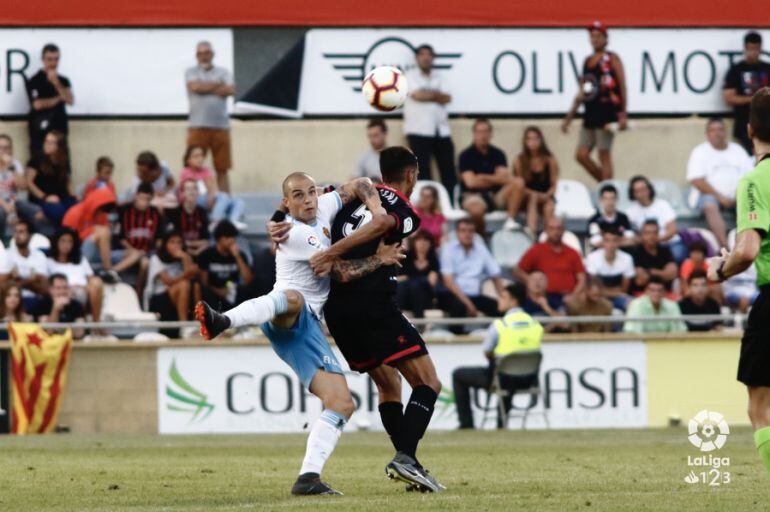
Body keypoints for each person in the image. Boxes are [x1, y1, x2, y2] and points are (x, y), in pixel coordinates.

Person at [195, 172, 395, 495]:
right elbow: (339, 271)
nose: (307, 201)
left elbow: (360, 183)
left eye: (310, 193)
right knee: (293, 297)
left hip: (307, 329)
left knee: (342, 403)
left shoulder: (324, 206)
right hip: (285, 315)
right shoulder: (295, 234)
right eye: (298, 196)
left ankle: (308, 478)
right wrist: (380, 257)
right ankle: (223, 321)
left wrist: (376, 207)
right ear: (287, 203)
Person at [310, 147, 447, 492]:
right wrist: (332, 252)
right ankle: (405, 459)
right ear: (412, 175)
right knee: (428, 383)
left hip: (338, 312)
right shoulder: (402, 207)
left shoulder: (347, 194)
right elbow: (383, 222)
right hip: (373, 306)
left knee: (389, 385)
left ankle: (410, 464)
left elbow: (313, 199)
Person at [707, 87, 770, 476]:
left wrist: (720, 270)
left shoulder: (755, 180)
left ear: (749, 130)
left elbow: (746, 250)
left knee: (760, 406)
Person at [452, 282, 542, 430]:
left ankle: (466, 424)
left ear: (514, 300)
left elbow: (487, 351)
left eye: (503, 297)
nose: (499, 300)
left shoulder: (501, 324)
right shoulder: (535, 323)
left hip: (503, 378)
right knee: (508, 369)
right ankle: (502, 424)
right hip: (530, 380)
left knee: (460, 374)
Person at [561, 21, 627, 181]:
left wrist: (622, 113)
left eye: (599, 36)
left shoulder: (612, 59)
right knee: (581, 154)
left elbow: (621, 85)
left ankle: (607, 188)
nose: (595, 40)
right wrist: (569, 117)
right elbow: (583, 90)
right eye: (592, 37)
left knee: (603, 152)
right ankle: (605, 184)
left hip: (606, 111)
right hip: (590, 112)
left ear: (606, 39)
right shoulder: (587, 61)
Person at [686, 117, 753, 247]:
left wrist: (738, 194)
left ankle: (749, 243)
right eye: (713, 130)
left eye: (720, 129)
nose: (717, 133)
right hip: (711, 197)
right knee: (709, 205)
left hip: (738, 195)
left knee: (752, 202)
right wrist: (721, 198)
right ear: (707, 134)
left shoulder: (737, 150)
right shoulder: (700, 152)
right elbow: (697, 181)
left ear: (725, 132)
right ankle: (725, 246)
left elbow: (749, 176)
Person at [404, 44, 457, 198]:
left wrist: (428, 94)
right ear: (416, 58)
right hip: (418, 131)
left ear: (433, 58)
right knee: (423, 173)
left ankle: (451, 204)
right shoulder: (409, 76)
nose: (426, 57)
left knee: (448, 171)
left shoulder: (440, 77)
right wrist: (436, 95)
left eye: (429, 54)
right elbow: (416, 95)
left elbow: (447, 98)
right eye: (422, 54)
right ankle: (427, 208)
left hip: (441, 131)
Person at [458, 119, 524, 233]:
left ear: (491, 133)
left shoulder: (498, 154)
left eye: (486, 131)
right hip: (474, 195)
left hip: (495, 195)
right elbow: (471, 183)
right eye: (479, 132)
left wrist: (482, 177)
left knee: (518, 182)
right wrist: (494, 178)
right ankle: (481, 238)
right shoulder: (466, 155)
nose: (483, 135)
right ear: (474, 134)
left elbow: (504, 179)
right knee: (476, 211)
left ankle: (510, 221)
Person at [186, 41, 235, 193]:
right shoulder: (191, 71)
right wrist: (217, 85)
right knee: (192, 167)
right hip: (197, 126)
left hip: (221, 127)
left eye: (206, 52)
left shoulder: (224, 71)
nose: (203, 56)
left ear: (212, 54)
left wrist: (205, 86)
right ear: (196, 56)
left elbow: (230, 90)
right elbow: (195, 87)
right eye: (200, 53)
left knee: (222, 168)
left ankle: (226, 201)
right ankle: (191, 199)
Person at [437, 219, 504, 323]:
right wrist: (468, 304)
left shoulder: (481, 249)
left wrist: (503, 298)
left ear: (474, 233)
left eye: (470, 231)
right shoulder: (448, 249)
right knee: (459, 308)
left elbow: (495, 274)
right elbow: (448, 281)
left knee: (500, 308)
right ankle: (458, 337)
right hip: (453, 295)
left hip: (475, 296)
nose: (467, 234)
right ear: (457, 233)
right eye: (463, 231)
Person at [513, 216, 586, 308]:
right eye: (552, 228)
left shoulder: (573, 253)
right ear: (546, 230)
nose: (556, 232)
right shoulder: (536, 250)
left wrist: (574, 296)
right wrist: (534, 284)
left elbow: (582, 279)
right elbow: (518, 271)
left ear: (563, 230)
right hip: (544, 298)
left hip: (568, 299)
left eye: (559, 228)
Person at [722, 32, 770, 153]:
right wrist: (754, 99)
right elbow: (728, 98)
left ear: (760, 49)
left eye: (756, 49)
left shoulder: (767, 68)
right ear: (745, 49)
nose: (753, 53)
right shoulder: (736, 70)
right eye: (750, 49)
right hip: (744, 125)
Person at [179, 145, 245, 229]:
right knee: (223, 196)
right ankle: (215, 221)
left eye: (202, 156)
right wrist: (210, 193)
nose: (200, 159)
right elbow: (192, 192)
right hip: (196, 200)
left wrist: (212, 194)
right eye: (196, 156)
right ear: (188, 160)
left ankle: (233, 221)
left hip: (210, 199)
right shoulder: (186, 172)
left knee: (239, 202)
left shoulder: (206, 171)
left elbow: (213, 189)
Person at [146, 231, 199, 333]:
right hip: (160, 296)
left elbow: (192, 278)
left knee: (195, 286)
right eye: (172, 242)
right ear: (165, 244)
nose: (176, 246)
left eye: (179, 242)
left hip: (180, 294)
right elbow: (168, 282)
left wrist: (185, 258)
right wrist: (186, 274)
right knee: (183, 285)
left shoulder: (183, 257)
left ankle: (197, 320)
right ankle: (184, 326)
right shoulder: (156, 258)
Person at [25, 43, 74, 155]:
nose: (53, 63)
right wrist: (59, 98)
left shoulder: (63, 80)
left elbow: (70, 100)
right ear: (43, 60)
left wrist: (56, 83)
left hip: (59, 128)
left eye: (56, 59)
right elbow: (37, 104)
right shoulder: (35, 80)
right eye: (49, 59)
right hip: (40, 131)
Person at [114, 183, 163, 293]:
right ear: (136, 196)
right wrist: (132, 250)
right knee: (137, 255)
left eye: (148, 199)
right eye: (142, 198)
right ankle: (112, 272)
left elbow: (159, 238)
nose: (144, 202)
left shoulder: (155, 213)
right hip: (127, 250)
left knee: (145, 263)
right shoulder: (124, 210)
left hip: (147, 252)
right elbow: (120, 238)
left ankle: (139, 292)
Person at [47, 228, 103, 321]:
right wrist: (68, 289)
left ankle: (96, 322)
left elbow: (91, 279)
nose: (66, 245)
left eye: (70, 241)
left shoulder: (81, 260)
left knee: (96, 282)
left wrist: (83, 288)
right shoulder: (49, 262)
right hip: (60, 294)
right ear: (56, 242)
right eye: (63, 241)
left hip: (83, 294)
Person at [627, 175, 685, 262]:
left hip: (668, 243)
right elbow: (631, 234)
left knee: (677, 255)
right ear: (633, 194)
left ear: (649, 189)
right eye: (638, 191)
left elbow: (672, 229)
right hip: (645, 247)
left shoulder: (663, 205)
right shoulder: (630, 212)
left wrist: (656, 240)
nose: (642, 193)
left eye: (644, 189)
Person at [197, 220, 253, 311]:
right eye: (228, 237)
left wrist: (237, 257)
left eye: (233, 237)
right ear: (220, 239)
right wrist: (218, 291)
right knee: (203, 291)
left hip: (232, 291)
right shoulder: (207, 255)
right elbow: (204, 283)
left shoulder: (240, 255)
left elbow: (248, 280)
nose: (232, 240)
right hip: (213, 292)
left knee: (247, 290)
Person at [25, 131, 76, 227]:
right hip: (42, 198)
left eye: (51, 143)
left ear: (59, 146)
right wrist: (45, 197)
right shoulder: (36, 159)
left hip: (62, 197)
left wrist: (73, 195)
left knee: (77, 207)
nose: (46, 145)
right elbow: (29, 183)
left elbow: (68, 180)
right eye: (46, 141)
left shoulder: (64, 160)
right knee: (58, 211)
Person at [513, 126, 558, 235]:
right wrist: (535, 195)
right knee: (533, 198)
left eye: (535, 139)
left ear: (541, 140)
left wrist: (547, 195)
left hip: (545, 197)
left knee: (549, 207)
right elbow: (519, 186)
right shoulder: (519, 160)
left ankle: (548, 236)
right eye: (529, 139)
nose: (533, 142)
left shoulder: (550, 160)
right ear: (525, 141)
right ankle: (531, 234)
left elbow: (554, 184)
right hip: (527, 196)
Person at [62, 186, 116, 272]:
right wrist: (92, 231)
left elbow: (105, 240)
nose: (104, 211)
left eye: (107, 209)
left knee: (130, 254)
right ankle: (108, 271)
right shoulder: (75, 213)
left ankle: (109, 270)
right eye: (103, 208)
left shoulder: (102, 215)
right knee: (103, 231)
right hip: (77, 251)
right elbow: (67, 239)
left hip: (97, 252)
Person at [0, 220, 49, 307]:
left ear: (30, 235)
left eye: (21, 232)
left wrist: (16, 279)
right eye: (15, 232)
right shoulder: (6, 255)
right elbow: (2, 286)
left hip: (36, 301)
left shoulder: (40, 256)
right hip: (11, 303)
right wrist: (31, 280)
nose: (17, 235)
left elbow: (44, 288)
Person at [585, 229, 635, 310]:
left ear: (619, 242)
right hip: (598, 298)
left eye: (614, 241)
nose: (611, 244)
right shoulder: (592, 258)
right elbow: (593, 289)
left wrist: (604, 290)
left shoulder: (627, 258)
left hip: (618, 298)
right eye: (607, 241)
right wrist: (614, 291)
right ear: (603, 242)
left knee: (633, 304)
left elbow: (624, 290)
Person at [397, 230, 440, 319]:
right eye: (419, 240)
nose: (422, 243)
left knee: (415, 286)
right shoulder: (407, 257)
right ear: (414, 242)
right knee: (405, 287)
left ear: (430, 243)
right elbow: (400, 278)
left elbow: (432, 281)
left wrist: (410, 279)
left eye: (425, 240)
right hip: (407, 294)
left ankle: (419, 320)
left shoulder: (433, 259)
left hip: (424, 295)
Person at [629, 220, 678, 294]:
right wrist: (663, 274)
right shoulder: (636, 252)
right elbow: (641, 280)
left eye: (655, 233)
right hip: (642, 294)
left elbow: (672, 274)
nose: (651, 236)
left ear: (658, 234)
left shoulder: (665, 250)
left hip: (665, 293)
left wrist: (651, 272)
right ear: (642, 235)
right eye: (648, 233)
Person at [165, 179, 210, 257]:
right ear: (183, 193)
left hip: (200, 251)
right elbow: (173, 241)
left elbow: (206, 241)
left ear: (198, 192)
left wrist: (195, 251)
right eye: (188, 189)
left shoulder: (203, 212)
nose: (191, 192)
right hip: (179, 252)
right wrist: (188, 248)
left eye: (194, 189)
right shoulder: (174, 212)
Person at [36, 273, 85, 339]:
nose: (62, 291)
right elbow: (48, 332)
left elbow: (79, 333)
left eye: (65, 288)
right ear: (51, 290)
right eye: (58, 288)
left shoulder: (76, 305)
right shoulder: (42, 304)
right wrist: (55, 309)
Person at [587, 183, 635, 249]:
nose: (609, 202)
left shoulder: (623, 218)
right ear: (601, 200)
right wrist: (620, 240)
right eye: (606, 198)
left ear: (617, 200)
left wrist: (607, 241)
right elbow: (595, 242)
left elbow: (630, 240)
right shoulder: (594, 220)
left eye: (612, 198)